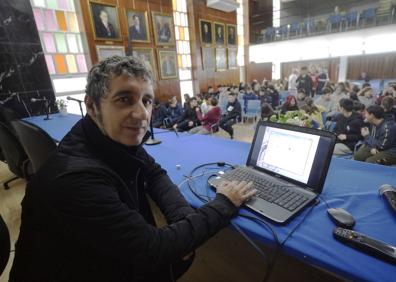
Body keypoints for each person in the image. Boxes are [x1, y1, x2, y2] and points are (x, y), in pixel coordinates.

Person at [10, 56, 256, 282]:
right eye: (124, 99)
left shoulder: (100, 134)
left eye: (147, 100)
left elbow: (154, 173)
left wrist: (184, 221)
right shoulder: (74, 179)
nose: (142, 114)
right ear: (92, 106)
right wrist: (224, 203)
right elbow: (154, 249)